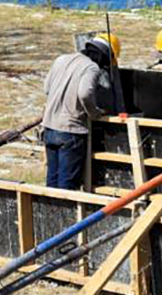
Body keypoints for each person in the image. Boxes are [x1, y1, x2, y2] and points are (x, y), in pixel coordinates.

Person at [41, 33, 120, 190]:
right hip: (70, 132)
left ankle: (50, 213)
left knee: (52, 183)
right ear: (104, 55)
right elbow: (84, 93)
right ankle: (65, 214)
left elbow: (46, 88)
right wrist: (94, 113)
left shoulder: (61, 59)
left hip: (49, 128)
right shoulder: (91, 68)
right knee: (66, 186)